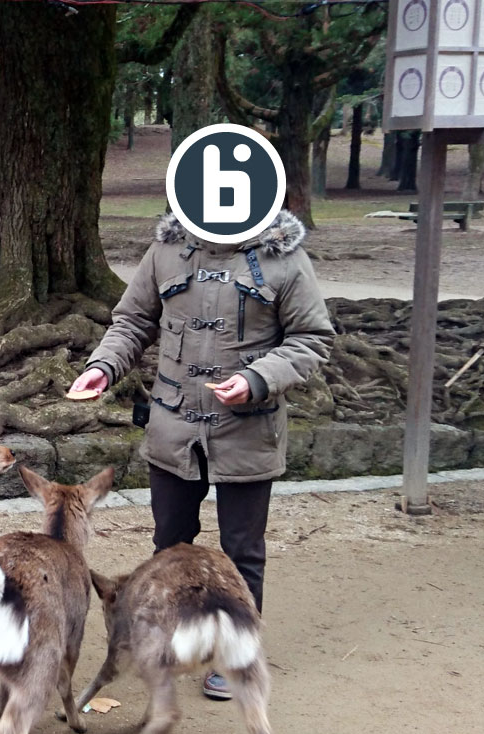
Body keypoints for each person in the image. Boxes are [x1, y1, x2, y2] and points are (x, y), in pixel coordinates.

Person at [69, 210, 335, 700]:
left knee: (243, 550)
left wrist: (258, 379)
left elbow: (311, 339)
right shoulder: (168, 250)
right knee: (170, 543)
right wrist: (104, 366)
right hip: (173, 425)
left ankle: (235, 651)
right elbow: (133, 319)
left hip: (248, 432)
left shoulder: (284, 258)